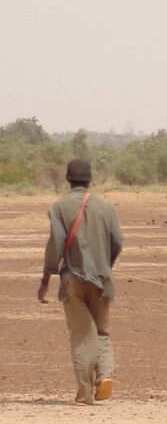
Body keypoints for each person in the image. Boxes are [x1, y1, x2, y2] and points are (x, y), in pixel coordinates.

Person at [37, 159, 124, 405]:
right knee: (102, 332)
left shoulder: (59, 207)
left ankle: (85, 393)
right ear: (89, 180)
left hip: (72, 279)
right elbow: (117, 240)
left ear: (68, 180)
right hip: (102, 279)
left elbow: (57, 242)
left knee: (82, 335)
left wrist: (46, 278)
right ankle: (104, 376)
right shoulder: (106, 206)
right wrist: (105, 265)